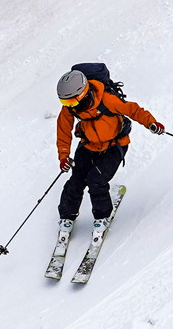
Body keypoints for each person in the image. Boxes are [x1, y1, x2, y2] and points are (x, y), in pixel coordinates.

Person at [55, 69, 163, 241]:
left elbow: (133, 110)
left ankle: (102, 217)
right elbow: (63, 130)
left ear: (82, 93)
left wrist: (151, 123)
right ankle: (67, 216)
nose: (68, 105)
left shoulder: (106, 99)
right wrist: (64, 156)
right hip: (88, 144)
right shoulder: (70, 108)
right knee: (76, 180)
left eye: (70, 101)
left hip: (115, 145)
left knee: (96, 180)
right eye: (64, 101)